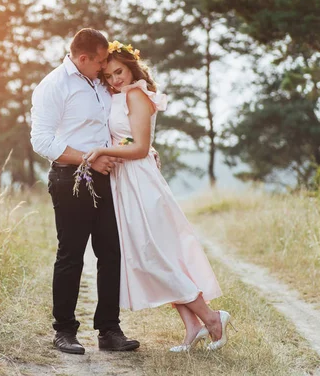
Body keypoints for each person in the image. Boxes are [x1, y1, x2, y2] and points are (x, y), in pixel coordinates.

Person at [84, 40, 233, 352]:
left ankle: (212, 317)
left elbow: (138, 148)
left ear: (132, 67)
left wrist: (101, 150)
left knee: (155, 255)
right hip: (124, 183)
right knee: (149, 255)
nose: (115, 80)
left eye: (119, 72)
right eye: (109, 76)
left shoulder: (137, 95)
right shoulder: (118, 96)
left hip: (141, 183)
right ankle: (192, 324)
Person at [30, 29, 140, 355]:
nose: (105, 66)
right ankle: (64, 331)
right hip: (71, 179)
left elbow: (117, 126)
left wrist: (138, 150)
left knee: (110, 253)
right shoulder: (53, 86)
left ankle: (109, 330)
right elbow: (42, 141)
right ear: (83, 58)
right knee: (71, 255)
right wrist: (90, 159)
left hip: (107, 178)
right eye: (101, 60)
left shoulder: (100, 84)